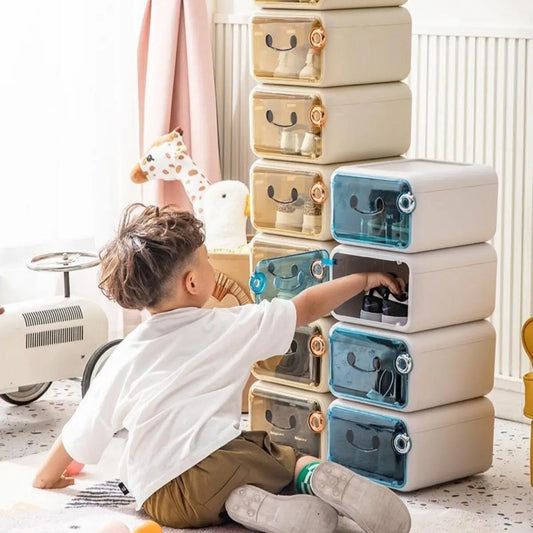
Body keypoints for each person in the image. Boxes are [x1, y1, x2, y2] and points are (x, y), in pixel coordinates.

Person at [33, 203, 411, 533]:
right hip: (219, 463)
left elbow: (81, 428)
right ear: (193, 281)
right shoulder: (229, 325)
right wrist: (362, 279)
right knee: (275, 454)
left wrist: (47, 477)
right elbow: (306, 305)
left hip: (161, 497)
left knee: (229, 485)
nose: (213, 266)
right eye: (208, 259)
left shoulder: (125, 353)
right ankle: (314, 476)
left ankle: (243, 506)